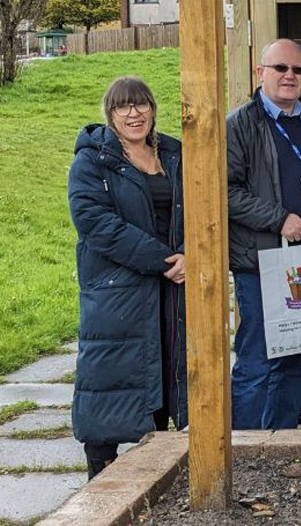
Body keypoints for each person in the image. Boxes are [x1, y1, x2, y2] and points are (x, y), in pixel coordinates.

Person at [68, 76, 186, 478]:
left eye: (140, 105)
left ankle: (149, 473)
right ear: (110, 114)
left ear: (153, 109)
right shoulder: (93, 160)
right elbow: (94, 222)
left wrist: (192, 255)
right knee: (111, 373)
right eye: (123, 107)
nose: (133, 113)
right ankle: (100, 472)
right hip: (118, 290)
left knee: (163, 369)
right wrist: (164, 259)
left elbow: (200, 207)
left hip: (172, 287)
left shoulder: (174, 153)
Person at [227, 38, 301, 429]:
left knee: (298, 359)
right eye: (280, 68)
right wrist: (278, 219)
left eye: (298, 70)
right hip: (263, 264)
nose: (289, 76)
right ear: (261, 73)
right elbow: (223, 192)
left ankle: (284, 442)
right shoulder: (239, 124)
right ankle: (246, 453)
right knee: (259, 361)